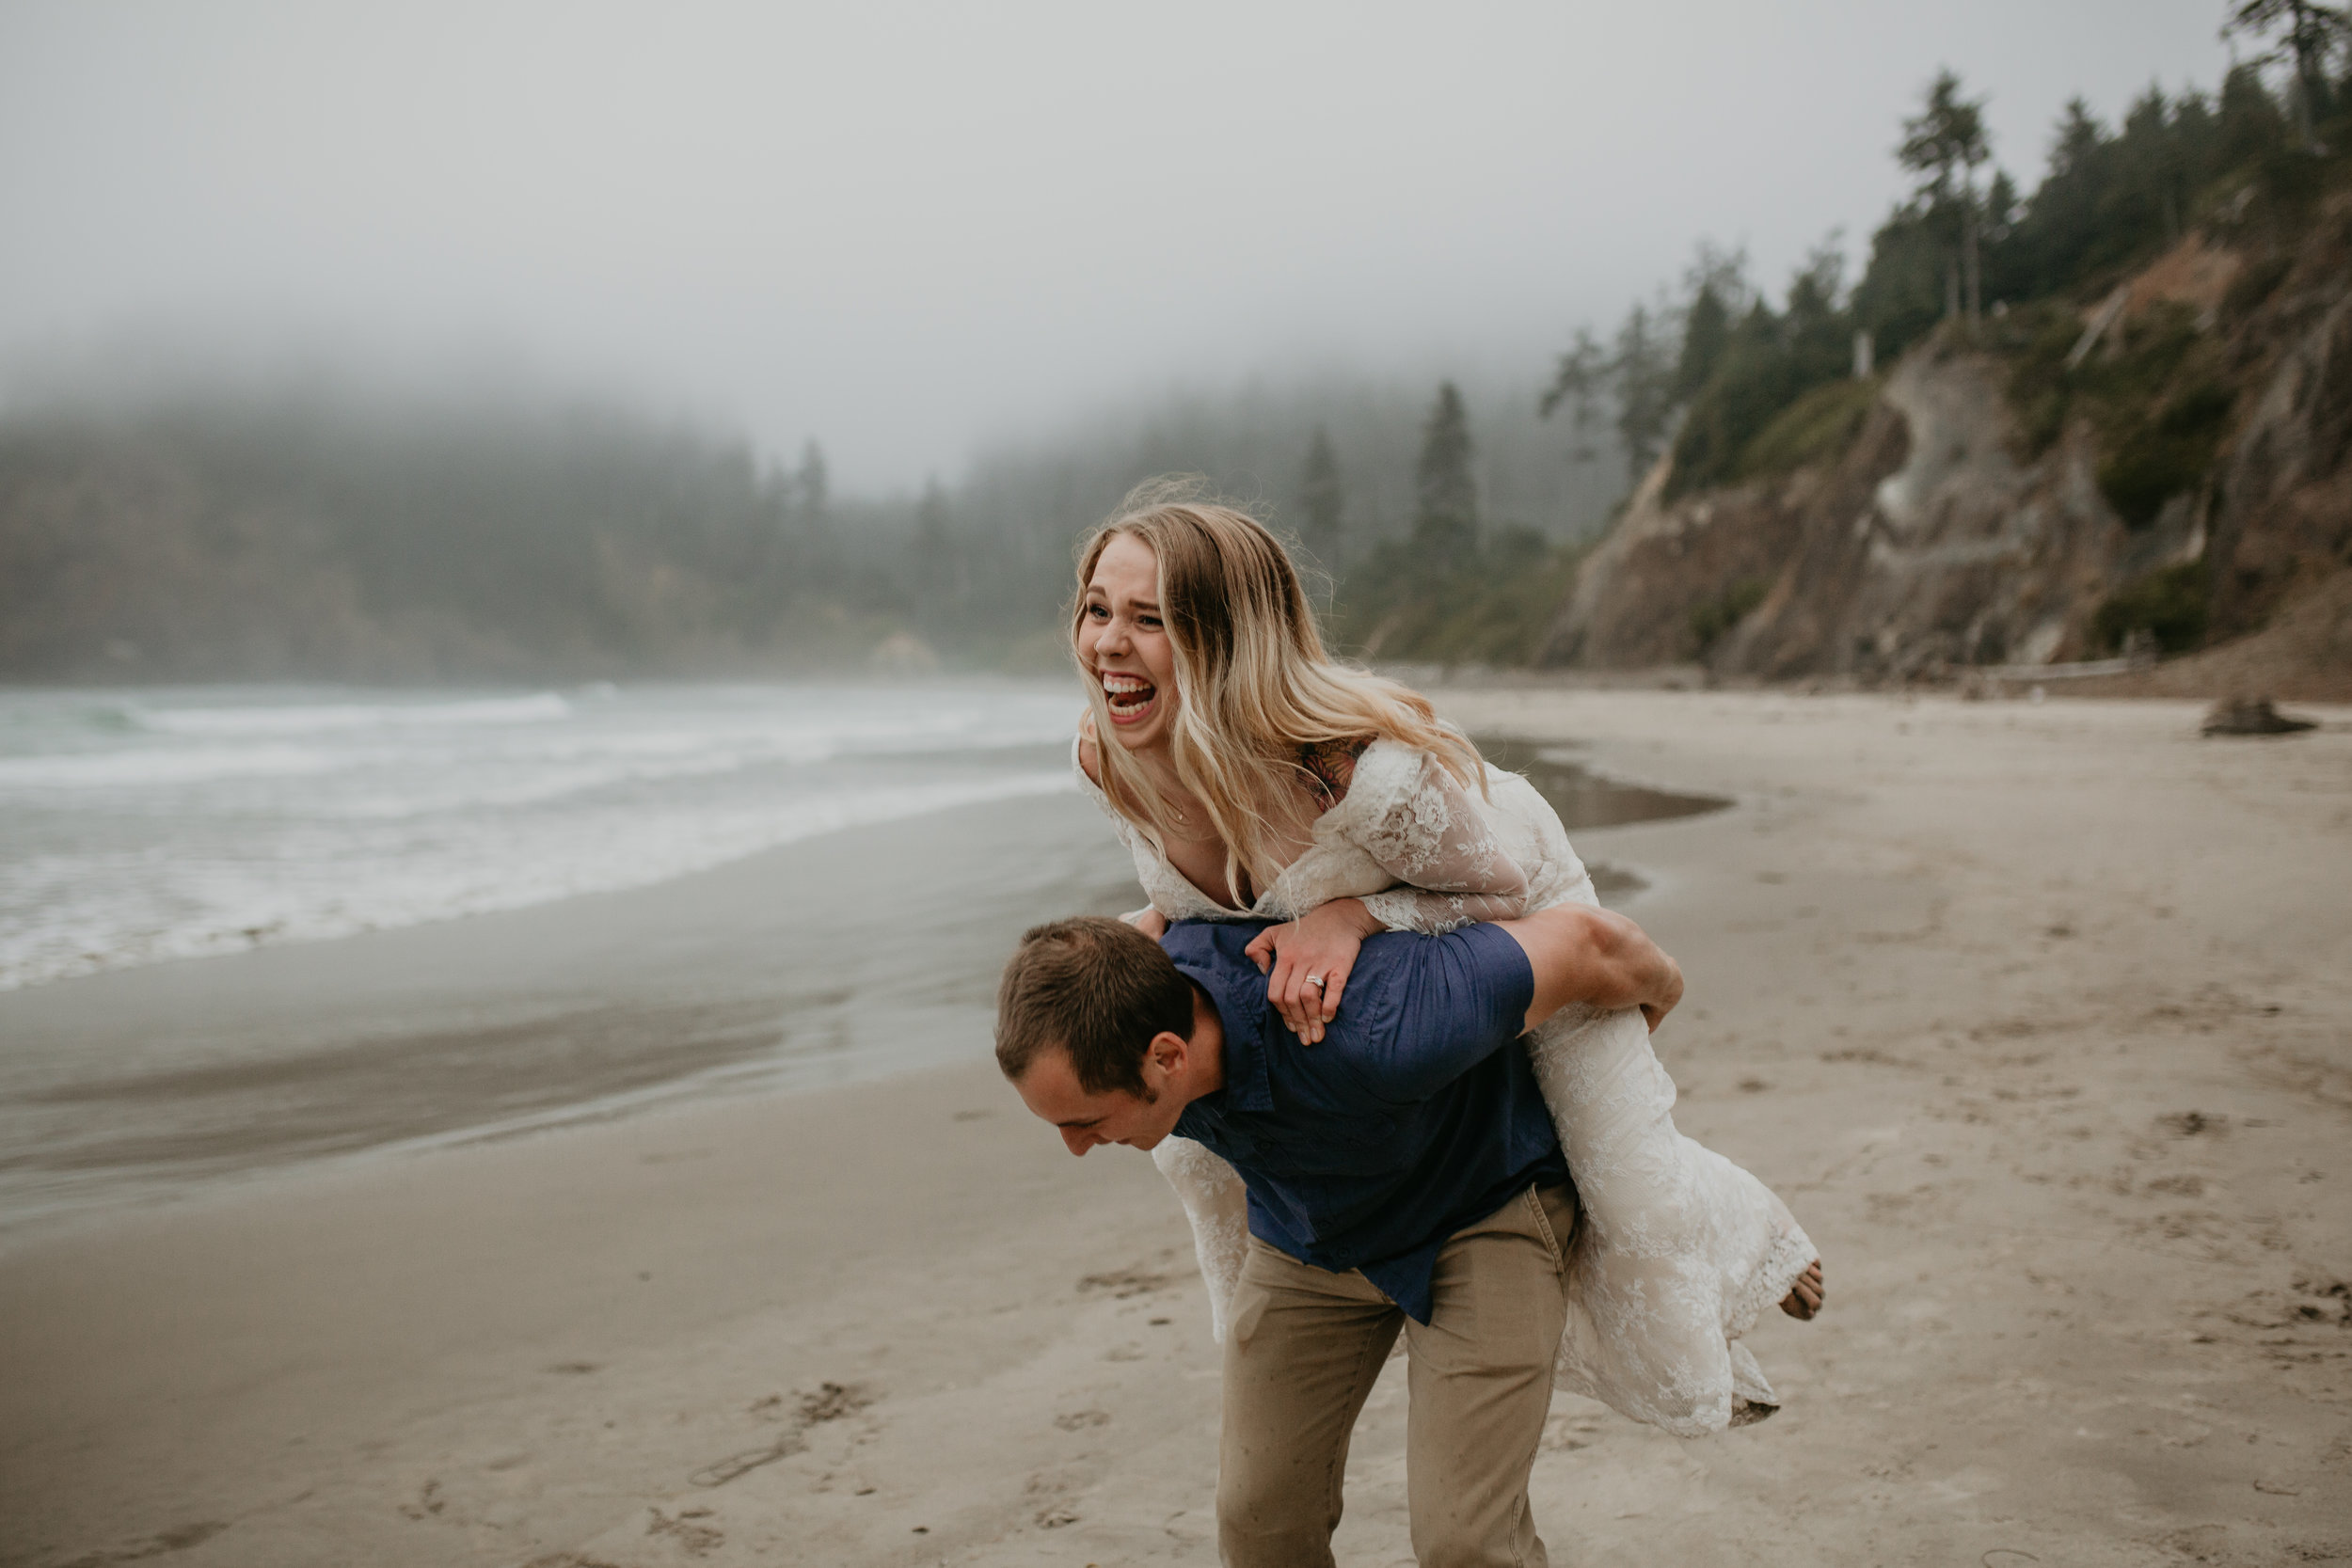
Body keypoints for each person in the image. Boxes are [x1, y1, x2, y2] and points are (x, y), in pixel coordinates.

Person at [1068, 479, 1822, 1437]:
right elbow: (1222, 895)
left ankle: (1750, 1227)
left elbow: (1498, 890)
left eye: (1149, 618)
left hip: (1501, 888)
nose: (1107, 643)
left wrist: (1350, 914)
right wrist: (1141, 930)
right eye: (1098, 609)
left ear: (1227, 636)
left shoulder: (1348, 770)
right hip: (1380, 933)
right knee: (1191, 1152)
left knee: (1619, 1179)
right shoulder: (1107, 752)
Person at [995, 908, 1683, 1567]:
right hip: (1309, 1234)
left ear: (1168, 1056)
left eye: (1085, 1121)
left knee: (1465, 1544)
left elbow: (1593, 943)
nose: (1077, 1148)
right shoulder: (1136, 1003)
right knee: (1258, 1523)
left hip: (1479, 1209)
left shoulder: (1382, 1022)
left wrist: (1632, 1048)